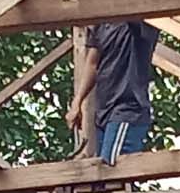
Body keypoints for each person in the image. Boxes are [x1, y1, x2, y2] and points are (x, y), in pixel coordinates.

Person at [66, 18, 162, 163]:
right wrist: (77, 102)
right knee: (102, 174)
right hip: (105, 113)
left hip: (128, 110)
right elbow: (92, 63)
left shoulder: (144, 22)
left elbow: (134, 9)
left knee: (110, 170)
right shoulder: (103, 23)